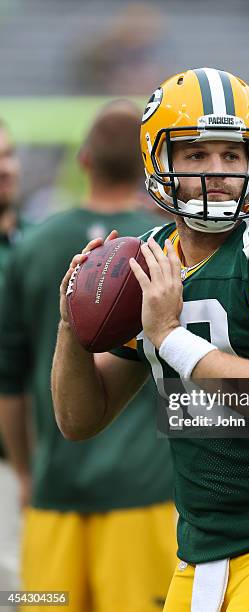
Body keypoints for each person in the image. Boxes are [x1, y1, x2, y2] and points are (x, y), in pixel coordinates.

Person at [52, 68, 249, 611]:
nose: (217, 172)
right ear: (158, 160)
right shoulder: (146, 261)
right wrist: (70, 329)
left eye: (233, 154)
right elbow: (81, 420)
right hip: (199, 549)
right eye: (196, 155)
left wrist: (172, 338)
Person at [0, 101, 175, 612]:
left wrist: (28, 472)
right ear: (148, 170)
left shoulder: (32, 247)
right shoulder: (166, 251)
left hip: (55, 494)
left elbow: (8, 383)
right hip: (145, 494)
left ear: (84, 161)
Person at [0, 119, 30, 607]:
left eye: (8, 154)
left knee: (32, 594)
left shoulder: (39, 246)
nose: (4, 169)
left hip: (26, 459)